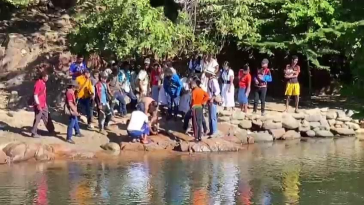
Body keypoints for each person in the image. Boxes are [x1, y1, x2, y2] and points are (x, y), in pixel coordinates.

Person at [31, 72, 55, 138]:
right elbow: (35, 94)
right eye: (46, 77)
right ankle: (33, 132)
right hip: (39, 104)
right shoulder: (38, 83)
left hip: (43, 104)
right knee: (37, 118)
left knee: (46, 116)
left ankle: (51, 130)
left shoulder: (43, 83)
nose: (47, 78)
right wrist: (38, 104)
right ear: (43, 77)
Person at [206, 67, 220, 136]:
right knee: (210, 116)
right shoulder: (209, 80)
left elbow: (217, 91)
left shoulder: (213, 81)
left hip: (212, 100)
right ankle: (211, 130)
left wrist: (212, 98)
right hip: (209, 99)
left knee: (213, 116)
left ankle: (214, 131)